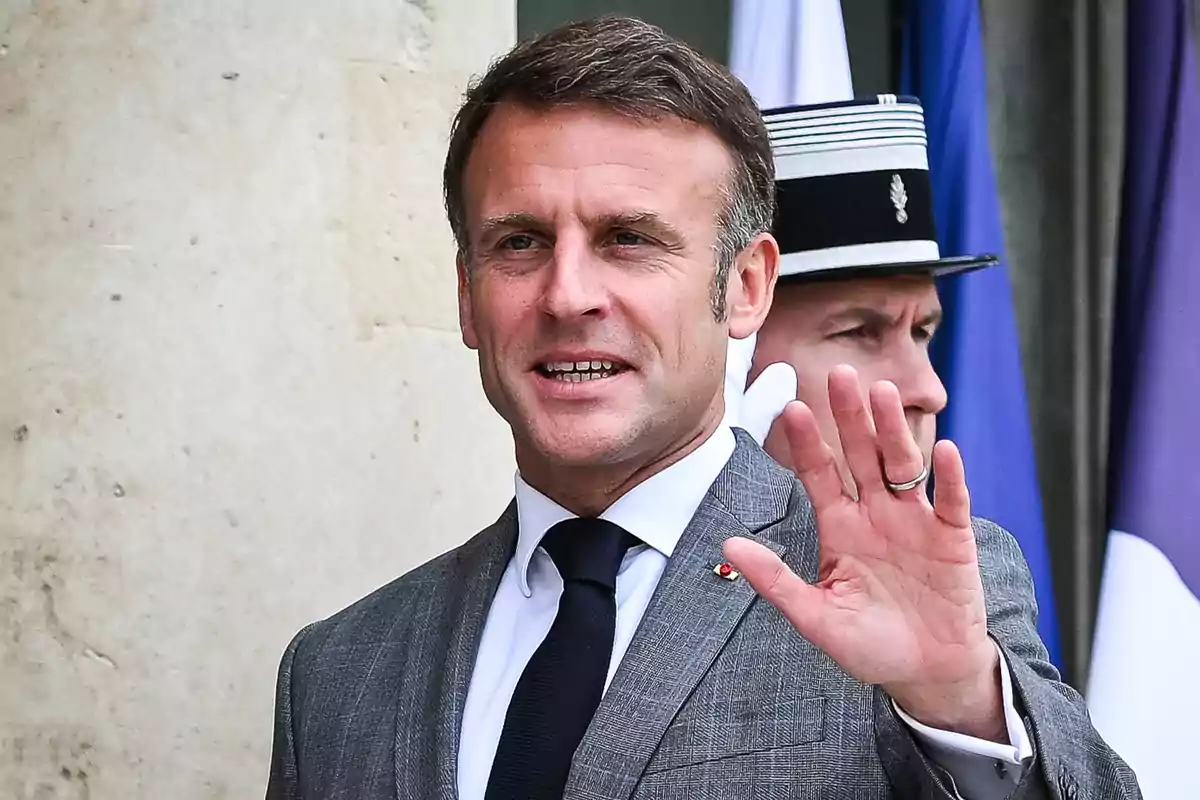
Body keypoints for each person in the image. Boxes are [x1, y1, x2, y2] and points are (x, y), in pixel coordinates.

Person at [266, 17, 1139, 800]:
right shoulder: (338, 671)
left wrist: (961, 711)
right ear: (467, 295)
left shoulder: (887, 595)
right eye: (520, 242)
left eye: (630, 240)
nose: (567, 294)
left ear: (746, 287)